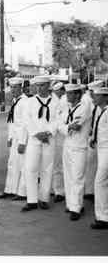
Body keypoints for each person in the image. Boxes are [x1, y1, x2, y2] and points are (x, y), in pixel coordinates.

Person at [21, 76, 60, 212]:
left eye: (42, 85)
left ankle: (43, 198)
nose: (39, 88)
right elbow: (27, 119)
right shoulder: (30, 102)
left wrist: (48, 132)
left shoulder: (56, 101)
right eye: (37, 85)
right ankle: (31, 200)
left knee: (47, 169)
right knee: (30, 168)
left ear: (48, 85)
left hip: (49, 139)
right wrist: (38, 133)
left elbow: (58, 119)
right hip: (34, 139)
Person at [57, 84, 91, 220]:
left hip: (79, 147)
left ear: (77, 95)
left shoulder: (84, 108)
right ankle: (71, 204)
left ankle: (76, 208)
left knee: (77, 177)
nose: (67, 97)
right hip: (68, 145)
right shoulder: (68, 109)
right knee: (68, 176)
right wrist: (66, 126)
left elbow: (75, 126)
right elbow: (59, 125)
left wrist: (66, 126)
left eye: (70, 94)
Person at [0, 77, 28, 200]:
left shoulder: (25, 102)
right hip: (15, 139)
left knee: (22, 166)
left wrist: (22, 142)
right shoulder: (16, 101)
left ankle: (22, 192)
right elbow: (12, 122)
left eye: (16, 87)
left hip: (21, 139)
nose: (13, 90)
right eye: (11, 87)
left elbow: (25, 124)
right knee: (12, 164)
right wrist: (10, 137)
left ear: (21, 88)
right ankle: (10, 189)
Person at [89, 87, 108, 229]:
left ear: (105, 97)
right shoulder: (102, 111)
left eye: (97, 95)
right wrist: (94, 138)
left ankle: (103, 218)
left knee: (100, 182)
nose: (93, 98)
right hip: (101, 149)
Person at [84, 80, 104, 201]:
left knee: (100, 167)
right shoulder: (89, 103)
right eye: (91, 92)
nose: (92, 94)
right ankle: (89, 191)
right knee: (90, 164)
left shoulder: (101, 106)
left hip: (102, 141)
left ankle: (98, 193)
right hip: (92, 138)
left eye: (94, 92)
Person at [51, 81, 67, 203]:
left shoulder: (63, 101)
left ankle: (60, 191)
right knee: (56, 165)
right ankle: (58, 191)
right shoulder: (55, 101)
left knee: (60, 166)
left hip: (62, 136)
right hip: (55, 137)